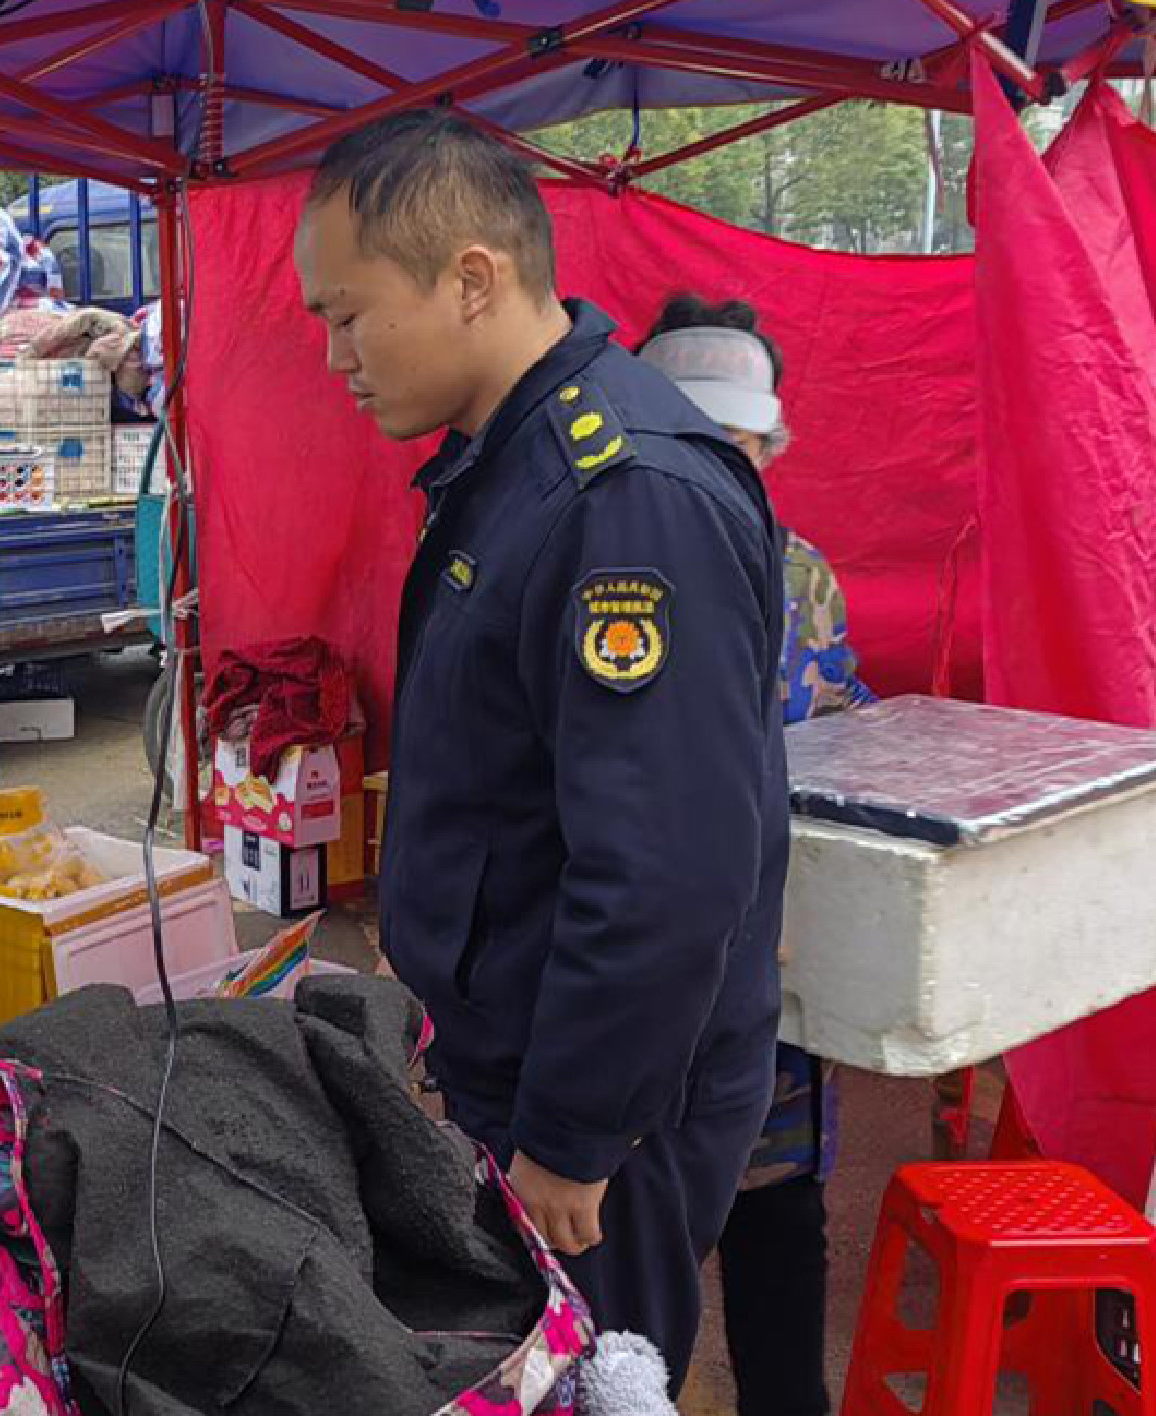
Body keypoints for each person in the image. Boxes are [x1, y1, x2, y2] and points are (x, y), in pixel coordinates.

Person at [293, 112, 788, 1388]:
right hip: (527, 1061)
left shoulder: (622, 496)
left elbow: (667, 873)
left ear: (472, 278)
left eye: (348, 314)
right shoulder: (509, 462)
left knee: (593, 1378)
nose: (334, 356)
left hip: (608, 1107)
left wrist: (572, 1135)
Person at [639, 293, 873, 1416]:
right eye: (691, 437)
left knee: (779, 1231)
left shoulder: (806, 576)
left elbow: (837, 729)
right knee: (632, 1278)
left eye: (737, 443)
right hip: (637, 990)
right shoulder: (606, 568)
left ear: (769, 445)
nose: (718, 467)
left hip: (771, 982)